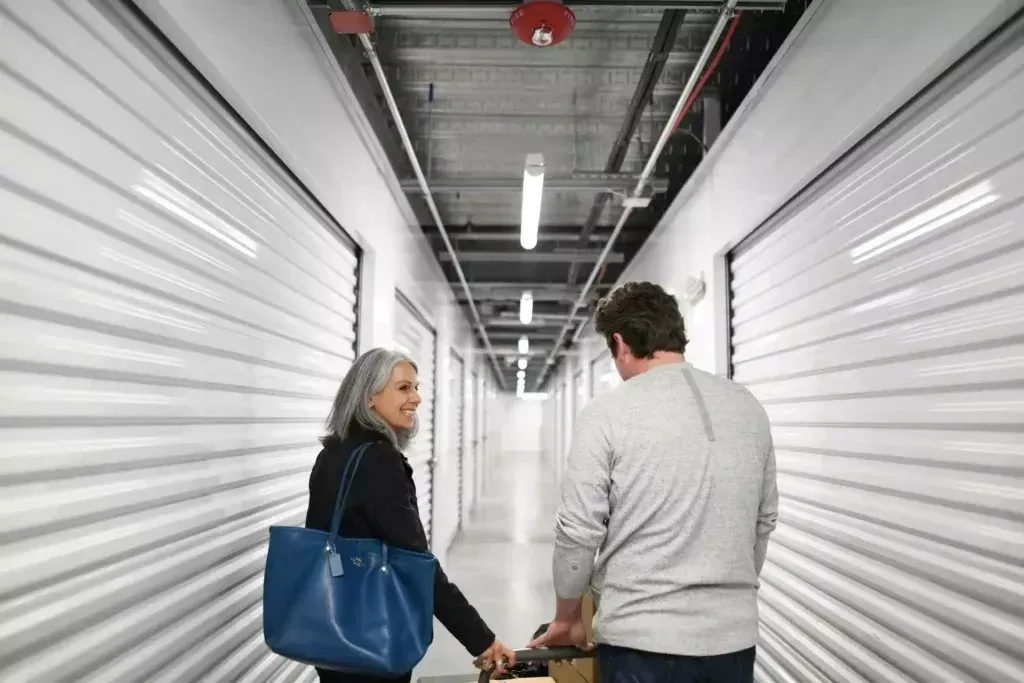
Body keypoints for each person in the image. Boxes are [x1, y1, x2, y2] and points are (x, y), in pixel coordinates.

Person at [529, 281, 778, 683]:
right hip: (734, 641)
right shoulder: (747, 406)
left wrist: (568, 615)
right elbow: (764, 520)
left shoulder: (607, 412)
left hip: (641, 644)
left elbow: (578, 532)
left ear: (620, 343)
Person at [306, 347, 515, 682]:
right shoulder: (379, 461)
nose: (417, 398)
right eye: (404, 388)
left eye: (416, 387)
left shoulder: (331, 454)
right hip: (373, 635)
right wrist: (482, 640)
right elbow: (416, 562)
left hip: (332, 626)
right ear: (369, 397)